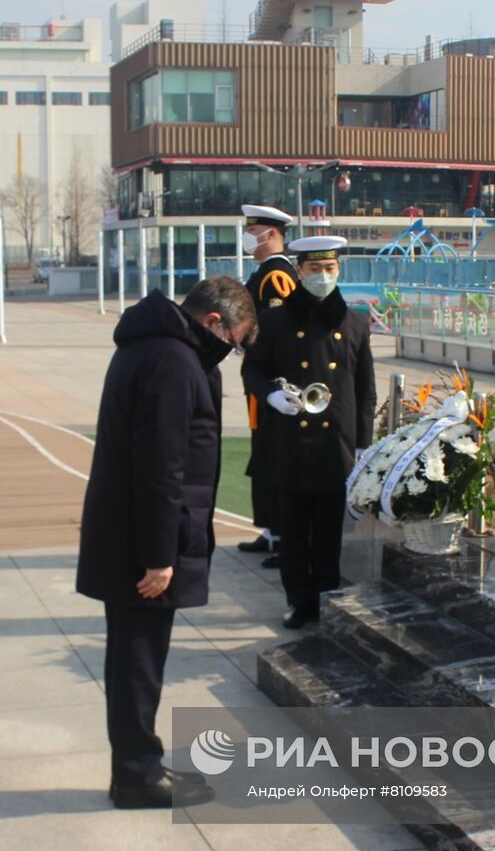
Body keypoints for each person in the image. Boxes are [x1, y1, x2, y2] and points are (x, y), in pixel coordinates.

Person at [76, 276, 256, 809]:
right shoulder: (174, 362)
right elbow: (162, 466)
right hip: (143, 540)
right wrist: (160, 556)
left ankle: (140, 761)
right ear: (214, 323)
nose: (232, 352)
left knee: (136, 658)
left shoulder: (154, 346)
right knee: (137, 661)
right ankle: (136, 775)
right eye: (236, 340)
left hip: (129, 527)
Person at [243, 236, 375, 629]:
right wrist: (271, 398)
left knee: (331, 533)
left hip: (337, 444)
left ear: (339, 271)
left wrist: (364, 446)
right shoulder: (275, 320)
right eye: (314, 269)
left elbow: (365, 391)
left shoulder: (354, 322)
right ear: (299, 271)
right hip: (291, 441)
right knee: (296, 531)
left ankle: (326, 595)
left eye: (329, 269)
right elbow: (253, 370)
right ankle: (299, 601)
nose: (322, 276)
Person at [237, 204, 298, 570]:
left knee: (274, 458)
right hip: (261, 382)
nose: (248, 237)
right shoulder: (263, 271)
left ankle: (284, 535)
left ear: (270, 234)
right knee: (263, 456)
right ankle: (273, 530)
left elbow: (278, 332)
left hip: (274, 384)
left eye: (253, 230)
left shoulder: (277, 276)